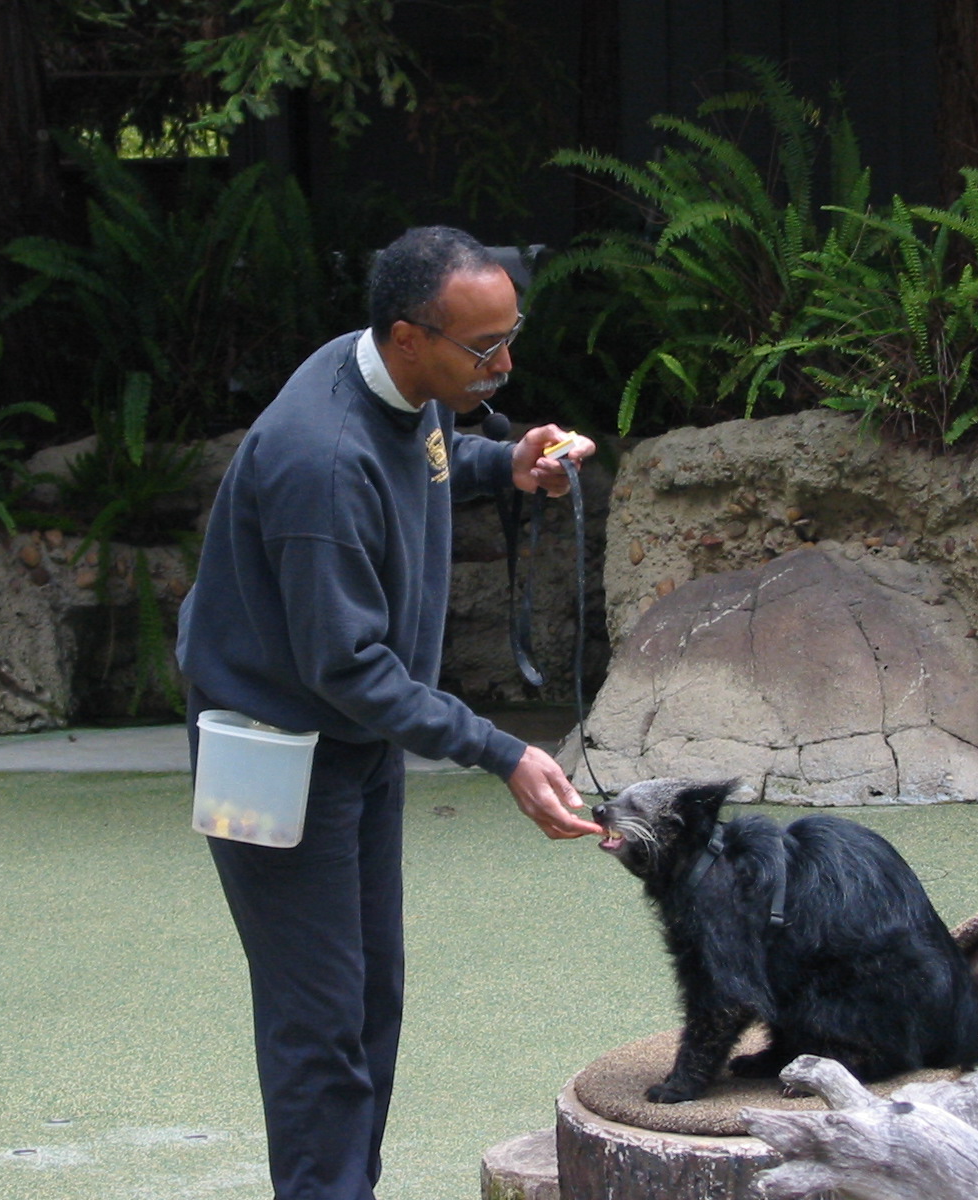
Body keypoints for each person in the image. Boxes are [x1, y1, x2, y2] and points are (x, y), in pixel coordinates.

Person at [176, 224, 600, 1200]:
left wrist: (509, 464)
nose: (505, 366)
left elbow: (435, 450)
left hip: (358, 737)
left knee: (371, 996)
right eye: (485, 348)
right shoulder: (320, 461)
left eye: (510, 338)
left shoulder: (397, 380)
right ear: (409, 337)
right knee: (317, 1019)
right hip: (265, 749)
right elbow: (348, 667)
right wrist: (501, 753)